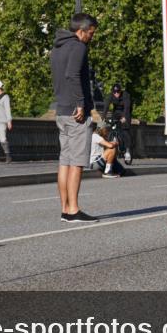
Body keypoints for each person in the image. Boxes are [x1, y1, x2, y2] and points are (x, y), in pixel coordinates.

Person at [51, 12, 99, 223]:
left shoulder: (57, 47)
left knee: (65, 161)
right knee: (77, 162)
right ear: (81, 31)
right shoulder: (79, 47)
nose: (92, 37)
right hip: (75, 112)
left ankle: (64, 209)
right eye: (91, 33)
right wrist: (80, 103)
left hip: (61, 110)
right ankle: (74, 209)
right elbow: (72, 74)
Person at [101, 84, 133, 163]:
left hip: (125, 112)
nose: (116, 94)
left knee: (125, 130)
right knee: (113, 126)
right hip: (116, 112)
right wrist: (103, 117)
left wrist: (124, 117)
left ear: (120, 91)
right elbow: (106, 106)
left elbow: (127, 107)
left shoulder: (125, 95)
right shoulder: (110, 95)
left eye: (118, 92)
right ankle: (113, 141)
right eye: (114, 92)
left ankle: (127, 151)